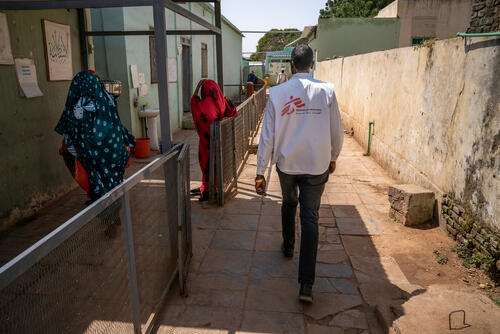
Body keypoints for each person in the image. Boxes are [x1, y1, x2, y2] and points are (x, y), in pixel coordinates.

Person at [255, 45, 344, 303]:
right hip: (317, 165)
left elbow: (267, 136)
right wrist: (333, 156)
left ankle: (288, 246)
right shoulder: (326, 91)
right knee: (310, 218)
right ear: (311, 65)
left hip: (287, 165)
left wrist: (261, 171)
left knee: (289, 202)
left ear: (291, 65)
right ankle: (306, 285)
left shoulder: (277, 93)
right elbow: (336, 130)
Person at [55, 70, 135, 203]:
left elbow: (78, 131)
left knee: (99, 183)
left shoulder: (81, 104)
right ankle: (112, 205)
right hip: (115, 150)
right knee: (111, 181)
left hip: (97, 154)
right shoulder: (107, 98)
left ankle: (109, 212)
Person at [191, 79, 237, 201]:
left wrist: (197, 87)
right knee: (219, 165)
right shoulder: (221, 101)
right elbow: (233, 111)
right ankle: (217, 189)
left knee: (207, 165)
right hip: (221, 141)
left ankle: (207, 190)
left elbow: (193, 102)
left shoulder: (203, 104)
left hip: (207, 144)